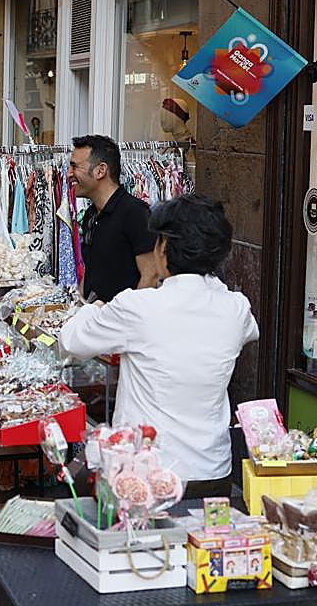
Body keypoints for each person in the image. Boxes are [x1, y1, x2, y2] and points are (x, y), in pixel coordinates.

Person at [59, 194, 259, 494]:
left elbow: (72, 341)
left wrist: (92, 308)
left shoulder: (137, 308)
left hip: (146, 476)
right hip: (211, 473)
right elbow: (249, 331)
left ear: (164, 247)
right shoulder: (236, 308)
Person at [70, 135, 160, 302]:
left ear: (100, 170)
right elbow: (91, 271)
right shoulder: (90, 214)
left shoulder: (134, 212)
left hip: (122, 324)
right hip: (95, 320)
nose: (69, 173)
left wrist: (126, 318)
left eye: (74, 167)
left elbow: (151, 275)